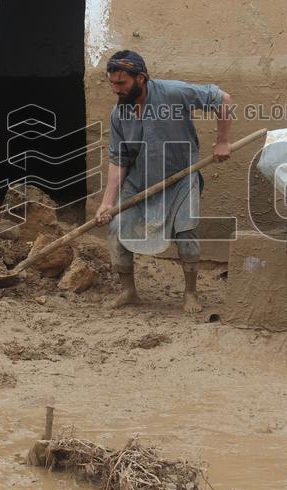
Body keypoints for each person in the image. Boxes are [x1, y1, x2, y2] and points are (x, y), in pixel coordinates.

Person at [94, 50, 233, 313]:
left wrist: (223, 140)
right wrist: (106, 203)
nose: (116, 89)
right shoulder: (118, 115)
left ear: (141, 79)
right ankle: (129, 291)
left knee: (186, 232)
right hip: (140, 183)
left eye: (121, 83)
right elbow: (118, 160)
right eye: (112, 83)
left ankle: (190, 293)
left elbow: (222, 99)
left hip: (181, 178)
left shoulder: (174, 93)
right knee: (116, 229)